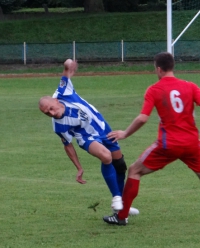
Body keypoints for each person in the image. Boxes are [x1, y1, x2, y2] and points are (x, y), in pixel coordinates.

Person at [103, 52, 200, 226]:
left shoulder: (155, 89)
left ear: (158, 69)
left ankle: (121, 216)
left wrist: (125, 133)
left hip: (168, 144)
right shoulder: (190, 86)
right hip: (192, 143)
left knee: (134, 170)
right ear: (172, 67)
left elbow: (142, 118)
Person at [39, 58, 139, 215]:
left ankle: (122, 206)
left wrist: (68, 63)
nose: (51, 113)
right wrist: (79, 167)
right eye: (47, 113)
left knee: (120, 165)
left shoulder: (63, 91)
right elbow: (68, 145)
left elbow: (66, 71)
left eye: (51, 108)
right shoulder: (58, 125)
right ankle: (116, 198)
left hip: (104, 129)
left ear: (56, 101)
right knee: (106, 157)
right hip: (86, 138)